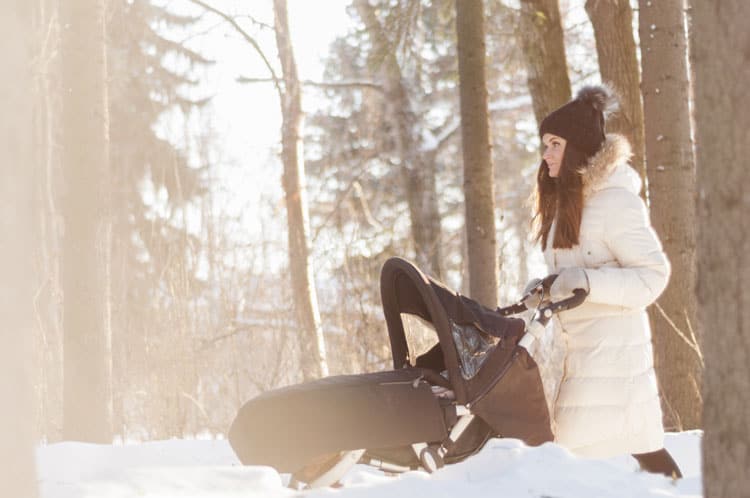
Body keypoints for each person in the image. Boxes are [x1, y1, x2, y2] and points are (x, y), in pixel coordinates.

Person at [526, 84, 682, 478]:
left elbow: (652, 276)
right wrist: (542, 290)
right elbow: (569, 277)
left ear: (576, 147)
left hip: (615, 365)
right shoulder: (564, 206)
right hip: (577, 359)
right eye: (545, 144)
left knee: (583, 462)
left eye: (555, 144)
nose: (546, 154)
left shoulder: (616, 201)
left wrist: (588, 283)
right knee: (573, 462)